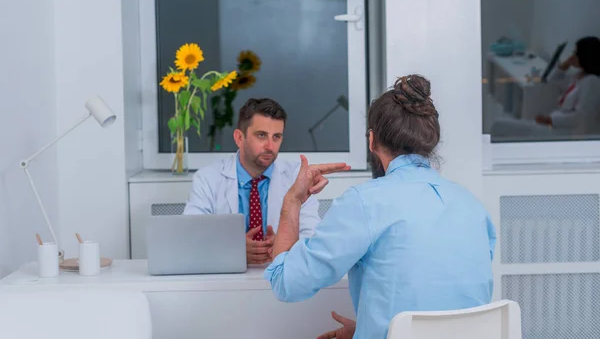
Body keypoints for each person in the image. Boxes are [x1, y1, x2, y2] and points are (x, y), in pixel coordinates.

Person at [264, 75, 496, 339]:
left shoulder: (364, 203)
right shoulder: (473, 207)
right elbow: (450, 299)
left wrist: (292, 201)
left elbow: (286, 282)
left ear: (372, 140)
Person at [183, 98, 320, 265]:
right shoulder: (207, 178)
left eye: (276, 137)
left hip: (280, 272)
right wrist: (233, 249)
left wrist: (285, 246)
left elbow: (312, 235)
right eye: (261, 135)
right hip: (226, 275)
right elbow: (191, 236)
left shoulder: (296, 176)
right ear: (239, 138)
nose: (270, 146)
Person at [492, 36, 600, 139]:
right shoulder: (579, 76)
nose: (572, 56)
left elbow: (581, 118)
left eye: (576, 53)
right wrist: (564, 65)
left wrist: (550, 120)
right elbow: (552, 80)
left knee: (498, 125)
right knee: (504, 119)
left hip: (564, 133)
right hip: (556, 126)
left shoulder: (592, 82)